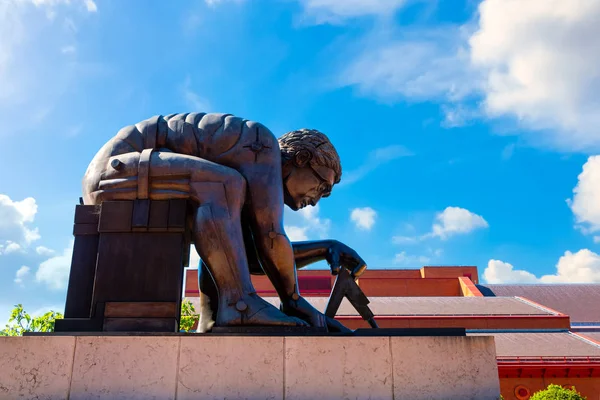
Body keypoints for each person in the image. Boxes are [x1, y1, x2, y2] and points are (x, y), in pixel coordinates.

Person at [82, 112, 367, 331]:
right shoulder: (263, 146)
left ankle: (213, 317)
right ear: (302, 158)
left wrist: (324, 248)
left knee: (222, 212)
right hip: (115, 171)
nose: (316, 200)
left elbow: (251, 258)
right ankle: (239, 306)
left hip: (130, 174)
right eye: (321, 188)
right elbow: (271, 236)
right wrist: (295, 303)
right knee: (223, 185)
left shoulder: (241, 189)